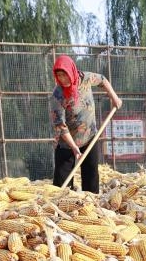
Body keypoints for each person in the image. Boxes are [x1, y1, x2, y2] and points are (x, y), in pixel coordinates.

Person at [50, 54, 123, 193]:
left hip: (89, 136)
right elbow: (60, 125)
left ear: (71, 71)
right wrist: (74, 148)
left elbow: (102, 80)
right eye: (59, 75)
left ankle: (91, 204)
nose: (62, 79)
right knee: (61, 183)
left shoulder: (85, 78)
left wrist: (114, 98)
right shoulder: (57, 95)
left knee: (91, 174)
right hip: (67, 142)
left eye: (64, 75)